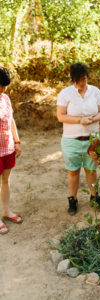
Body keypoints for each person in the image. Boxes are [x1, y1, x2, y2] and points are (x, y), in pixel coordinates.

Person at [57, 63, 100, 215]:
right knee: (73, 171)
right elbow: (61, 116)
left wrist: (92, 119)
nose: (82, 83)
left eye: (84, 79)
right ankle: (73, 199)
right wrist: (80, 120)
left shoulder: (95, 91)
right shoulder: (65, 94)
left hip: (92, 139)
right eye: (78, 80)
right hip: (72, 139)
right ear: (73, 79)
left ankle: (94, 196)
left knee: (91, 169)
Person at [0, 67, 22, 235]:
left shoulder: (6, 98)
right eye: (1, 85)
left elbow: (11, 121)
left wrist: (17, 141)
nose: (3, 89)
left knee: (6, 181)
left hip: (7, 147)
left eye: (5, 86)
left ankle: (7, 212)